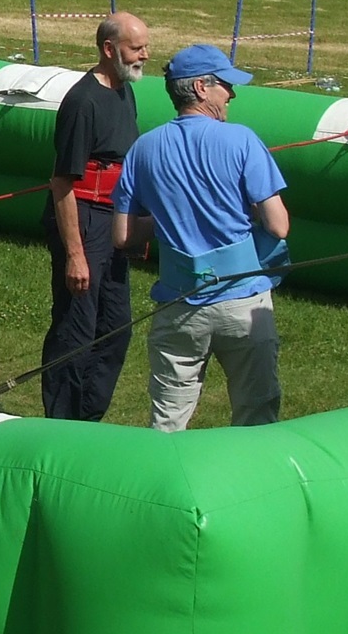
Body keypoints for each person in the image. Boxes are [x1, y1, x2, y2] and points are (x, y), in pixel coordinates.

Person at [112, 44, 291, 431]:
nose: (232, 94)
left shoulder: (143, 148)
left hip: (178, 305)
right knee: (256, 417)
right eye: (226, 85)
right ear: (200, 87)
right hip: (242, 303)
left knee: (167, 420)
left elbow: (123, 235)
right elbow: (279, 226)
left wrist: (169, 223)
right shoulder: (242, 140)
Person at [41, 12, 151, 420]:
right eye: (136, 48)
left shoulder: (125, 90)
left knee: (116, 327)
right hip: (83, 220)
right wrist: (75, 254)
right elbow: (62, 184)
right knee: (76, 329)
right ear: (109, 49)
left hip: (115, 220)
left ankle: (88, 419)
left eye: (145, 47)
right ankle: (62, 423)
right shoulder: (82, 102)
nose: (145, 55)